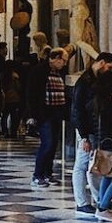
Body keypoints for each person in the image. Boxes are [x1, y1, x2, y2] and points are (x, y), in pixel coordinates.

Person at [71, 52, 112, 217]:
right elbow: (77, 109)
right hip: (87, 130)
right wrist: (83, 135)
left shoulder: (96, 80)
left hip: (96, 131)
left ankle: (101, 199)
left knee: (96, 166)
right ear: (102, 63)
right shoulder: (84, 81)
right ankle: (82, 202)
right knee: (82, 165)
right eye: (110, 68)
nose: (110, 72)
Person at [85, 70, 112, 222]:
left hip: (98, 141)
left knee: (106, 174)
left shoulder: (94, 100)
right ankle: (103, 207)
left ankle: (101, 203)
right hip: (110, 141)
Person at [25, 48, 68, 188]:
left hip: (57, 112)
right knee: (47, 143)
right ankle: (37, 175)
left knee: (54, 144)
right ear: (55, 58)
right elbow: (32, 93)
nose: (65, 64)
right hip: (44, 114)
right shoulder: (39, 71)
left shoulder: (59, 72)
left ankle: (48, 173)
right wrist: (32, 114)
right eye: (64, 60)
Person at [0, 62, 22, 138]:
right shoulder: (14, 76)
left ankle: (4, 131)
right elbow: (18, 87)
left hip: (4, 98)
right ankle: (13, 132)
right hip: (14, 98)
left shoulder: (1, 75)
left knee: (4, 116)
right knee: (14, 117)